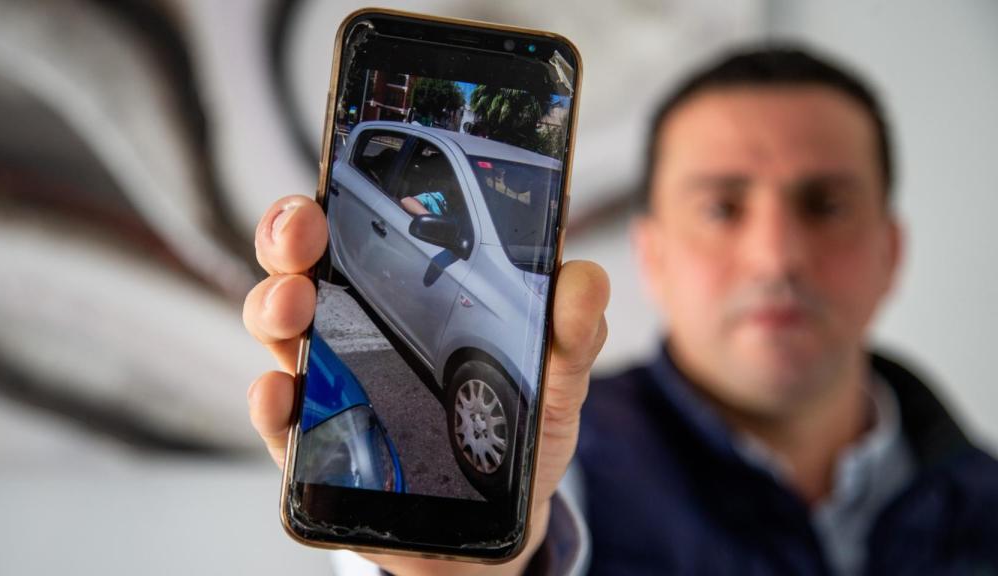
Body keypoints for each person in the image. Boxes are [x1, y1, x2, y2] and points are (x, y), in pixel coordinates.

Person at [242, 46, 998, 575]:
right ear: (654, 255)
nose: (775, 257)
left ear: (892, 251)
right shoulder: (562, 468)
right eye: (722, 207)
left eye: (825, 204)